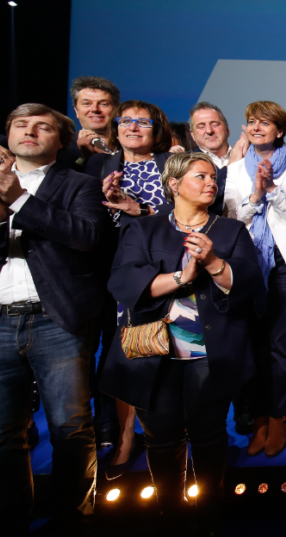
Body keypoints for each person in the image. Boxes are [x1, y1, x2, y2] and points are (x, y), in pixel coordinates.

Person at [101, 153, 262, 531]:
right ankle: (169, 511)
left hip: (210, 352)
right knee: (160, 436)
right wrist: (180, 276)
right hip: (154, 352)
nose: (211, 183)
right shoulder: (145, 230)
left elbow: (249, 284)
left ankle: (208, 508)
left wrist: (212, 263)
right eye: (200, 176)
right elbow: (123, 285)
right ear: (174, 185)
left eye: (213, 177)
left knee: (208, 433)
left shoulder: (230, 231)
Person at [0, 104, 107, 535]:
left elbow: (86, 236)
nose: (30, 132)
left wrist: (18, 198)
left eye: (43, 127)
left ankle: (74, 519)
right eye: (20, 125)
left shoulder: (80, 185)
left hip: (57, 321)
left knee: (70, 429)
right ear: (7, 135)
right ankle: (8, 521)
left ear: (61, 140)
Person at [89, 100, 177, 480]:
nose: (134, 127)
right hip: (117, 275)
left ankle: (171, 434)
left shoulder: (170, 165)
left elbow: (185, 218)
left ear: (157, 130)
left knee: (170, 355)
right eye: (126, 120)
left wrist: (138, 210)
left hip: (167, 273)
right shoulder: (101, 166)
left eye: (144, 122)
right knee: (126, 356)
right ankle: (125, 438)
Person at [223, 101, 286, 456]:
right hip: (249, 267)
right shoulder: (233, 171)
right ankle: (257, 419)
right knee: (254, 347)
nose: (257, 127)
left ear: (280, 130)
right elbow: (234, 223)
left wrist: (272, 189)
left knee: (280, 349)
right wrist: (256, 196)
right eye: (252, 122)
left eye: (266, 123)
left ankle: (278, 418)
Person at [66, 75, 121, 169]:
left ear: (116, 109)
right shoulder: (63, 148)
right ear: (76, 111)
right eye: (87, 103)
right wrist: (84, 158)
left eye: (103, 104)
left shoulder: (133, 144)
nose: (95, 109)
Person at [189, 102, 236, 169]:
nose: (209, 131)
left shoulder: (248, 157)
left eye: (215, 124)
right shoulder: (185, 163)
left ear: (227, 129)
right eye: (201, 126)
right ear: (192, 135)